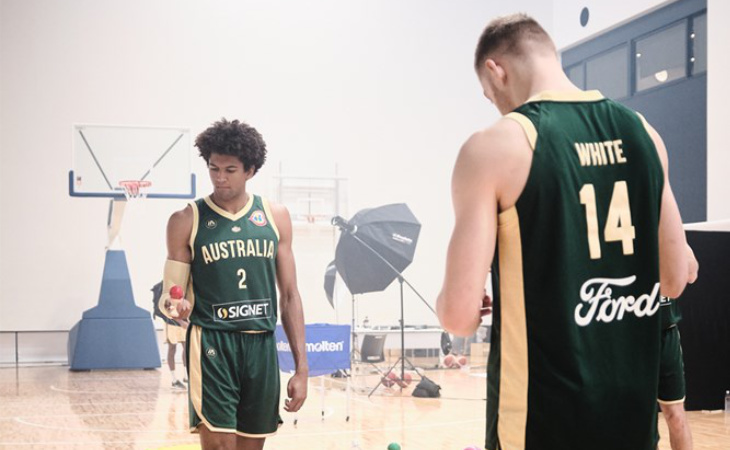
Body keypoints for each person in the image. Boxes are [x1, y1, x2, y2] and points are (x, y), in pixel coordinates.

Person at [436, 13, 696, 450]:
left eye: (489, 94)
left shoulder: (496, 146)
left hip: (541, 424)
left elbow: (458, 316)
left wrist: (454, 297)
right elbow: (673, 278)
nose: (496, 104)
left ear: (494, 70)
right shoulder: (645, 134)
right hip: (630, 421)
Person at [159, 118, 308, 450]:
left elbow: (289, 296)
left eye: (230, 170)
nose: (219, 178)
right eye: (213, 169)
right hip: (212, 342)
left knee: (250, 447)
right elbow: (171, 295)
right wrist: (175, 306)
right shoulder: (186, 220)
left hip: (260, 344)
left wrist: (302, 368)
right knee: (220, 445)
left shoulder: (275, 216)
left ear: (250, 171)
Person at [659, 245, 698, 450]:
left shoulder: (664, 227)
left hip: (665, 333)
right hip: (629, 334)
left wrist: (678, 242)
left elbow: (692, 274)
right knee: (635, 420)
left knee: (676, 417)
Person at [165, 318, 189, 390]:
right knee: (172, 349)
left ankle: (186, 376)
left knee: (187, 347)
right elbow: (159, 310)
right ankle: (174, 380)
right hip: (171, 324)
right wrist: (175, 319)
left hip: (184, 323)